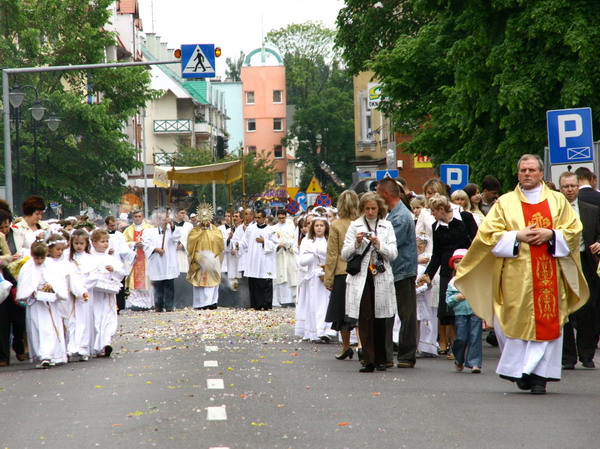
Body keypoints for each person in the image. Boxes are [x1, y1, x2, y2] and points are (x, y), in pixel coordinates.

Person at [455, 154, 589, 394]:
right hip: (516, 276)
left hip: (549, 273)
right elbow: (486, 236)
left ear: (540, 174)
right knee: (514, 321)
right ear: (518, 174)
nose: (527, 174)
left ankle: (541, 377)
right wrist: (516, 236)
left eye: (532, 170)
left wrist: (552, 235)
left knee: (549, 321)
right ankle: (519, 371)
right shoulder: (505, 203)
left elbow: (574, 230)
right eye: (523, 170)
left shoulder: (558, 201)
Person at [342, 192, 398, 372]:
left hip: (380, 275)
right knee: (365, 317)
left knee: (381, 317)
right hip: (361, 276)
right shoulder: (355, 225)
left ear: (379, 208)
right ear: (362, 209)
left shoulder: (386, 225)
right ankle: (368, 359)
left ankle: (382, 359)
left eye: (373, 208)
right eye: (367, 209)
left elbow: (393, 253)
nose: (370, 212)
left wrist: (379, 244)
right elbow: (345, 254)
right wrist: (357, 243)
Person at [418, 194, 474, 357]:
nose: (432, 215)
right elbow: (437, 254)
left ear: (441, 209)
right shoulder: (437, 226)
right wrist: (427, 275)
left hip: (465, 270)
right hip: (446, 271)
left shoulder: (465, 218)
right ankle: (455, 347)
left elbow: (477, 243)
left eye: (433, 211)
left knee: (465, 309)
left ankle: (466, 346)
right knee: (448, 311)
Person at [558, 171, 599, 369]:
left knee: (588, 308)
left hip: (586, 262)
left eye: (573, 186)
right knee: (564, 310)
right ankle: (567, 357)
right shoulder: (554, 211)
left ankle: (586, 354)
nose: (570, 190)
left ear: (578, 186)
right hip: (562, 262)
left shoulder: (591, 210)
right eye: (566, 186)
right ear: (560, 188)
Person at [377, 177, 419, 368]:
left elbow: (389, 244)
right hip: (394, 271)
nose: (377, 197)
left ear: (386, 194)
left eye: (379, 193)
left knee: (406, 314)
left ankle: (407, 356)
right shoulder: (393, 214)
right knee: (387, 314)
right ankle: (387, 356)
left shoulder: (400, 217)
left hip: (402, 271)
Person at [17, 241, 68, 368]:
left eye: (42, 257)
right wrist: (32, 291)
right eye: (36, 258)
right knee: (37, 328)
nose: (39, 261)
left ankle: (49, 354)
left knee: (49, 329)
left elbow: (59, 282)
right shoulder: (27, 267)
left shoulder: (51, 266)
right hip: (35, 304)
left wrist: (52, 287)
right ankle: (43, 355)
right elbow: (24, 286)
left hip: (49, 303)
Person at [324, 190, 360, 360]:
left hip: (341, 271)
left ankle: (346, 346)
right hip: (361, 270)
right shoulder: (361, 223)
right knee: (360, 310)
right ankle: (362, 345)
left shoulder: (336, 225)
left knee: (342, 312)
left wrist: (328, 278)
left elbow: (332, 254)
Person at [296, 216, 336, 342]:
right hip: (313, 278)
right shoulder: (307, 242)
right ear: (313, 227)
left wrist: (317, 252)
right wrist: (314, 254)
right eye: (316, 225)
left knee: (327, 304)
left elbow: (334, 256)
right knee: (314, 305)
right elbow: (302, 261)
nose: (319, 228)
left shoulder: (330, 240)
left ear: (326, 227)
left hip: (327, 276)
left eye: (321, 225)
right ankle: (315, 331)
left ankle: (327, 330)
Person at [88, 229, 126, 357]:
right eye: (102, 241)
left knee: (108, 317)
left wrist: (113, 270)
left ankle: (106, 342)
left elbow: (122, 274)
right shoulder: (89, 258)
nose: (105, 244)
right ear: (93, 243)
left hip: (108, 293)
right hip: (95, 294)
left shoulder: (110, 258)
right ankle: (97, 346)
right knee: (96, 318)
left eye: (106, 241)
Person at [446, 249, 482, 373]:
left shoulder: (475, 278)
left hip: (475, 311)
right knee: (461, 338)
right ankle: (459, 358)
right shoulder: (452, 282)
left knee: (475, 336)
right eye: (456, 262)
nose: (459, 264)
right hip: (460, 313)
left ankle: (475, 363)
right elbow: (448, 300)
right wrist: (457, 297)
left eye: (462, 261)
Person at [0, 209, 26, 366]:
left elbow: (9, 256)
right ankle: (3, 356)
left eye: (6, 226)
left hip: (10, 278)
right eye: (1, 227)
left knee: (18, 318)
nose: (4, 230)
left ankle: (19, 345)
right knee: (2, 320)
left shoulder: (6, 237)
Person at [186, 204, 224, 310]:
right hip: (198, 259)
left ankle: (212, 302)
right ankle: (199, 303)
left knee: (212, 281)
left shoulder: (216, 231)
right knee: (199, 283)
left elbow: (219, 242)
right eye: (202, 218)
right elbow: (191, 242)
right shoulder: (195, 231)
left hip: (213, 259)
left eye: (207, 218)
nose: (205, 221)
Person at [240, 209, 278, 311]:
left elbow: (275, 244)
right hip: (253, 260)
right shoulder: (250, 229)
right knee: (254, 282)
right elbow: (245, 241)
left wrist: (264, 241)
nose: (257, 220)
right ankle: (256, 304)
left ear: (264, 218)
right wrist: (238, 244)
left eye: (259, 218)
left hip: (266, 260)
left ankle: (266, 304)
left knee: (265, 282)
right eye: (256, 218)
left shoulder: (270, 230)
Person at [143, 213, 181, 312]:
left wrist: (172, 225)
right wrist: (155, 249)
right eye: (163, 220)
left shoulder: (171, 231)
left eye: (167, 220)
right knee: (157, 285)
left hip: (168, 262)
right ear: (158, 221)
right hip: (157, 261)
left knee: (169, 285)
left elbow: (176, 237)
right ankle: (158, 306)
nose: (165, 222)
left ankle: (169, 306)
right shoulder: (149, 232)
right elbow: (146, 245)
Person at [67, 229, 95, 361]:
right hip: (71, 295)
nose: (78, 246)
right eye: (76, 243)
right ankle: (70, 346)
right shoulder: (67, 258)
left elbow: (93, 277)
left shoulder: (90, 259)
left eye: (81, 243)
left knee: (84, 320)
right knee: (71, 321)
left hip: (84, 294)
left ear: (86, 244)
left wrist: (82, 288)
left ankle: (83, 348)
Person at [123, 209, 154, 310]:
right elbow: (123, 244)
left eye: (139, 216)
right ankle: (135, 304)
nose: (137, 218)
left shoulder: (150, 228)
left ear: (143, 217)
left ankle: (148, 304)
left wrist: (144, 244)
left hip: (147, 259)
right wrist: (133, 244)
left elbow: (155, 241)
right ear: (133, 218)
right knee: (134, 281)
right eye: (135, 217)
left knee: (147, 279)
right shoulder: (128, 230)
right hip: (134, 259)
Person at [106, 215, 135, 313]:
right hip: (107, 263)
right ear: (106, 225)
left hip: (118, 262)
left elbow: (124, 249)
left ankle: (119, 306)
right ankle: (109, 307)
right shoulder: (103, 234)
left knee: (120, 286)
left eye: (114, 225)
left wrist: (131, 255)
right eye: (110, 225)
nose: (112, 227)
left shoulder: (119, 235)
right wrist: (106, 252)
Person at [273, 210, 298, 307]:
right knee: (280, 275)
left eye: (283, 218)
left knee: (289, 274)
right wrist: (278, 246)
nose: (281, 220)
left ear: (286, 216)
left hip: (289, 254)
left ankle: (291, 299)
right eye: (279, 218)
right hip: (279, 254)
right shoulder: (273, 228)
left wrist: (288, 245)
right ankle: (281, 300)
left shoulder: (291, 227)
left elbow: (294, 241)